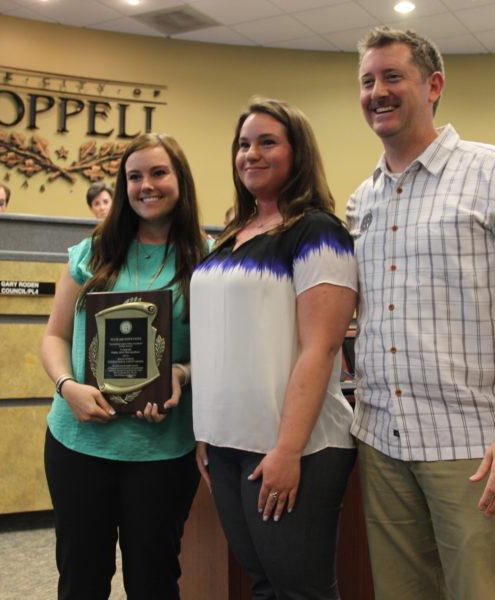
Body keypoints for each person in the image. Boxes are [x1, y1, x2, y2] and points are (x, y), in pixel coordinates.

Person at [346, 27, 495, 599]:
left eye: (393, 76)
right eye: (368, 81)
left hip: (475, 446)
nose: (378, 92)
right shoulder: (364, 198)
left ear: (434, 85)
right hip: (382, 441)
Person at [190, 98, 358, 599]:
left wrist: (287, 449)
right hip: (225, 443)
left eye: (267, 142)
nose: (251, 154)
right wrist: (207, 433)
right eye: (243, 144)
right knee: (262, 582)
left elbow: (320, 348)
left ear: (297, 152)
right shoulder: (230, 235)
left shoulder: (317, 231)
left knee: (299, 589)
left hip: (294, 446)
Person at [40, 132, 208, 600]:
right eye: (134, 176)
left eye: (158, 173)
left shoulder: (208, 258)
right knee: (81, 579)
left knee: (154, 581)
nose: (145, 185)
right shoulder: (92, 251)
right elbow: (55, 337)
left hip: (162, 450)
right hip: (78, 445)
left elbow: (217, 353)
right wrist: (66, 385)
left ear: (180, 180)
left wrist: (180, 373)